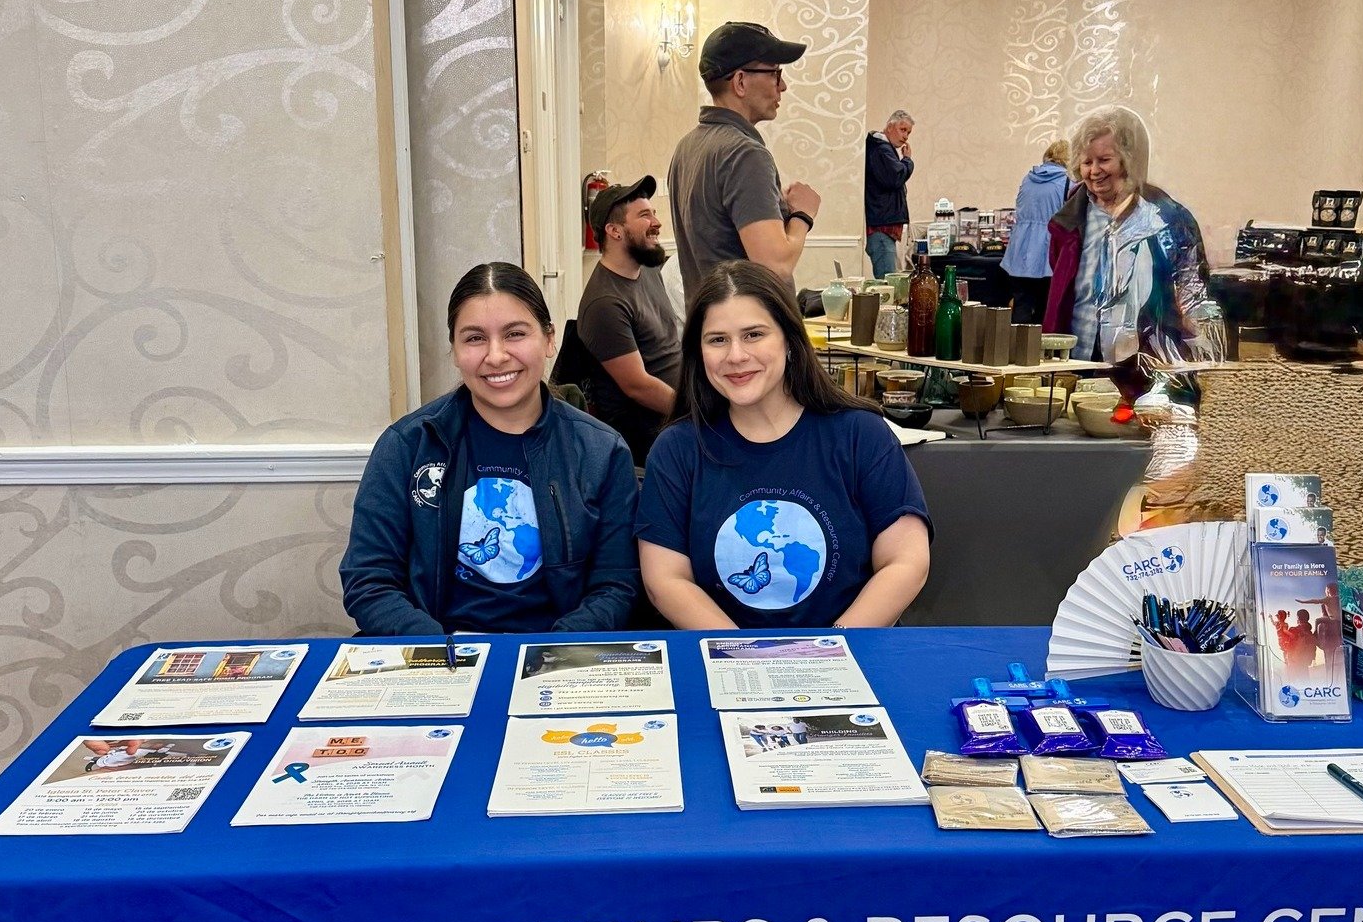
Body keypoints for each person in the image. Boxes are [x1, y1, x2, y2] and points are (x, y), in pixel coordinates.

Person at [341, 262, 639, 636]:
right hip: (439, 658)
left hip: (555, 657)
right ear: (454, 349)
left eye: (515, 334)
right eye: (475, 338)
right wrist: (442, 648)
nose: (496, 356)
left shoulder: (602, 452)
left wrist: (550, 651)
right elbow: (368, 579)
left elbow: (615, 586)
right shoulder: (408, 444)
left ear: (549, 339)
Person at [636, 261, 931, 631]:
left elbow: (906, 561)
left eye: (754, 334)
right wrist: (746, 656)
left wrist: (830, 650)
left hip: (848, 660)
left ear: (790, 340)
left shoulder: (861, 434)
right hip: (726, 664)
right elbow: (665, 580)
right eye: (717, 340)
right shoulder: (676, 450)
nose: (736, 356)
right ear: (699, 353)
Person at [1043, 106, 1214, 405]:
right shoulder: (1068, 220)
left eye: (1104, 160)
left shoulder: (1167, 218)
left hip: (1146, 374)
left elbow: (1192, 296)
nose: (1094, 171)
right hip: (1076, 365)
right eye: (1086, 162)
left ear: (1128, 160)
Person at [666, 21, 822, 288]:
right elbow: (775, 265)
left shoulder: (686, 147)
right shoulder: (745, 154)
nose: (782, 85)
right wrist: (803, 215)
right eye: (775, 73)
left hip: (710, 322)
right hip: (747, 325)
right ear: (740, 81)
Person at [574, 176, 682, 466]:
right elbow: (639, 386)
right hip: (651, 437)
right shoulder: (604, 303)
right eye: (645, 215)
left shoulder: (646, 269)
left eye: (654, 213)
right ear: (615, 231)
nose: (656, 223)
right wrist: (696, 412)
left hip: (678, 414)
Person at [1002, 139, 1070, 323]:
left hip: (1018, 253)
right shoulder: (1067, 182)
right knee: (1046, 307)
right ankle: (1042, 351)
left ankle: (1017, 348)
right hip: (1047, 255)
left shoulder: (1028, 178)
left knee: (1021, 304)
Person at [864, 110, 915, 279]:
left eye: (908, 132)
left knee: (889, 282)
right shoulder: (881, 149)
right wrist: (907, 160)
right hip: (881, 227)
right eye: (903, 129)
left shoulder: (883, 149)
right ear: (890, 126)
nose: (906, 136)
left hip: (883, 226)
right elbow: (895, 176)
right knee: (888, 285)